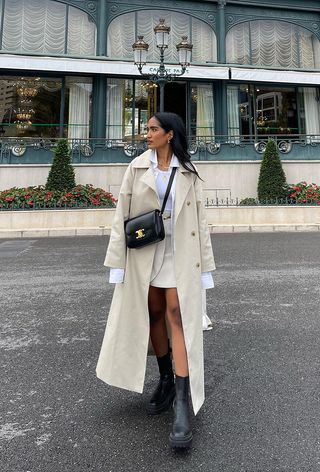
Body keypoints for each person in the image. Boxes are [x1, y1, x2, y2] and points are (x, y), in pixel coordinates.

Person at [96, 112, 215, 449]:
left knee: (177, 316)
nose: (146, 134)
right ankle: (164, 378)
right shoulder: (135, 168)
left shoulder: (188, 172)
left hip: (180, 255)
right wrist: (116, 263)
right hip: (145, 257)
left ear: (169, 134)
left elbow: (200, 221)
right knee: (153, 317)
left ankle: (181, 400)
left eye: (152, 129)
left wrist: (206, 268)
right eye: (146, 129)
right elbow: (121, 215)